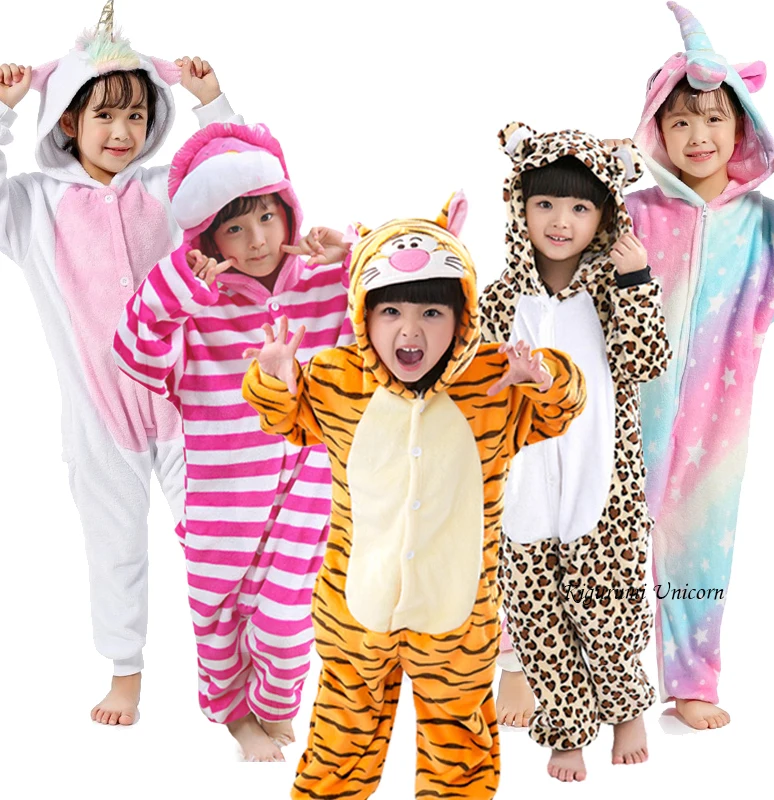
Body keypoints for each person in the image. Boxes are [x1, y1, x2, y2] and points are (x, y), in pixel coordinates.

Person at [242, 193, 586, 798]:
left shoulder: (494, 382)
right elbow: (286, 420)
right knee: (339, 744)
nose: (409, 330)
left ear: (462, 316)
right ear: (362, 314)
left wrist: (542, 376)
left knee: (460, 751)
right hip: (356, 612)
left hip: (456, 620)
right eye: (390, 311)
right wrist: (273, 378)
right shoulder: (337, 379)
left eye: (431, 312)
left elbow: (563, 407)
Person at [0, 0, 240, 726]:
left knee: (219, 542)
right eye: (104, 115)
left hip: (185, 405)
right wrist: (5, 110)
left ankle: (237, 669)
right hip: (98, 416)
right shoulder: (34, 204)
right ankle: (124, 670)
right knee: (114, 548)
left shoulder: (165, 190)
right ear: (67, 121)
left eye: (136, 115)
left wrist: (211, 101)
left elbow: (236, 184)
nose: (122, 132)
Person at [113, 122, 352, 761]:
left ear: (288, 210)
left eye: (267, 217)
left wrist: (350, 256)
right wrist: (178, 288)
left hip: (310, 490)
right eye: (235, 229)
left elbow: (392, 310)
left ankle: (275, 706)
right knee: (218, 623)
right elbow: (134, 354)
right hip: (223, 497)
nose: (258, 241)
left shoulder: (327, 284)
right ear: (208, 240)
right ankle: (234, 716)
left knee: (286, 626)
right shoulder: (199, 309)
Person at [603, 1, 774, 731]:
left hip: (719, 417)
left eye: (715, 119)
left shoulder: (766, 226)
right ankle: (570, 671)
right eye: (681, 120)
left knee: (699, 554)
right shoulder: (635, 211)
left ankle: (691, 680)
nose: (698, 135)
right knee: (597, 541)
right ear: (657, 128)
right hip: (626, 409)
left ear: (742, 129)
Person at [481, 125, 670, 781]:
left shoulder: (614, 290)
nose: (560, 222)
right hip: (523, 479)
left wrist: (637, 279)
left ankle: (626, 709)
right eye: (545, 204)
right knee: (537, 613)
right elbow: (476, 380)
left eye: (580, 207)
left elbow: (647, 361)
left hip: (604, 479)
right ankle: (566, 728)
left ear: (604, 216)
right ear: (520, 207)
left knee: (610, 604)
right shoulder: (501, 297)